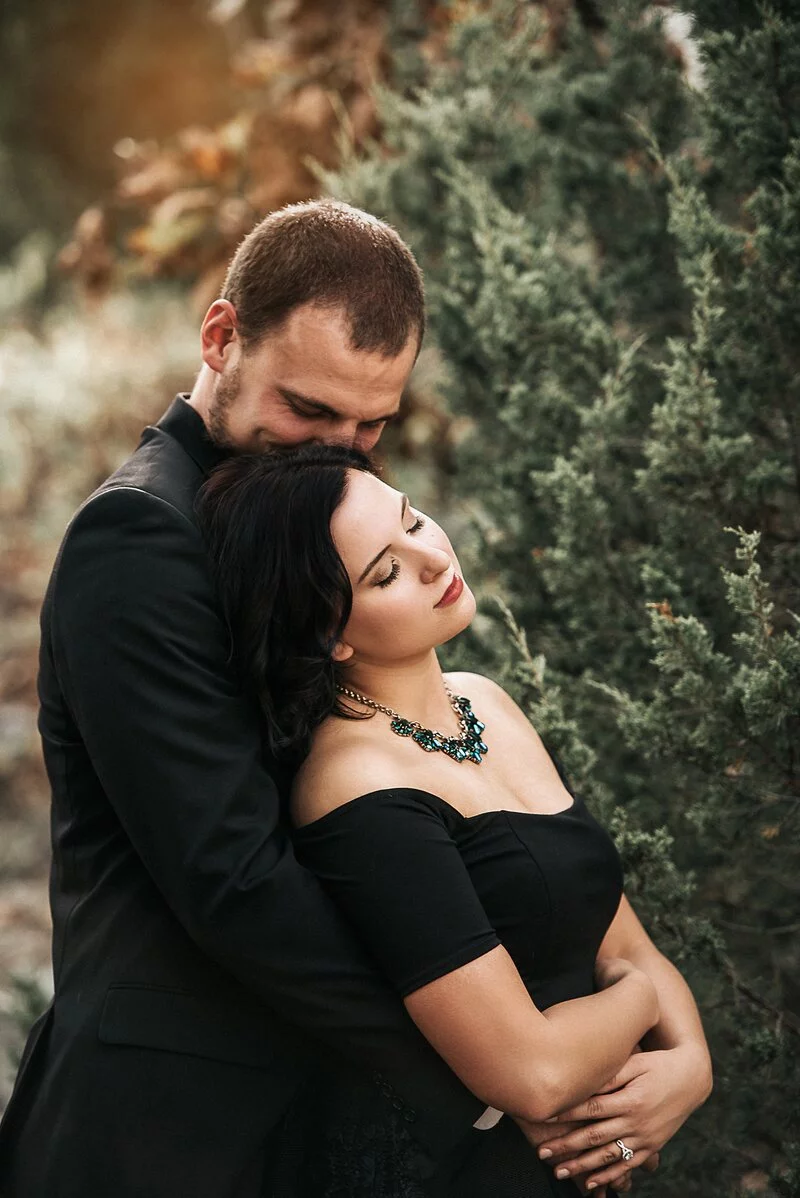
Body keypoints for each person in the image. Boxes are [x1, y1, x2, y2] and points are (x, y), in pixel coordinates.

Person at [0, 201, 487, 1198]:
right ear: (220, 337)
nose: (339, 454)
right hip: (161, 1134)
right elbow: (233, 878)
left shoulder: (313, 530)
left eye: (370, 426)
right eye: (308, 412)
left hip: (309, 1118)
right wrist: (483, 1072)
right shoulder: (138, 540)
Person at [196, 444, 713, 1197]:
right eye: (387, 571)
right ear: (329, 635)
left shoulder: (486, 702)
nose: (433, 558)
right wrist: (636, 1002)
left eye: (414, 522)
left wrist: (689, 1066)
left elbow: (622, 939)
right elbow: (532, 1073)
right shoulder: (355, 788)